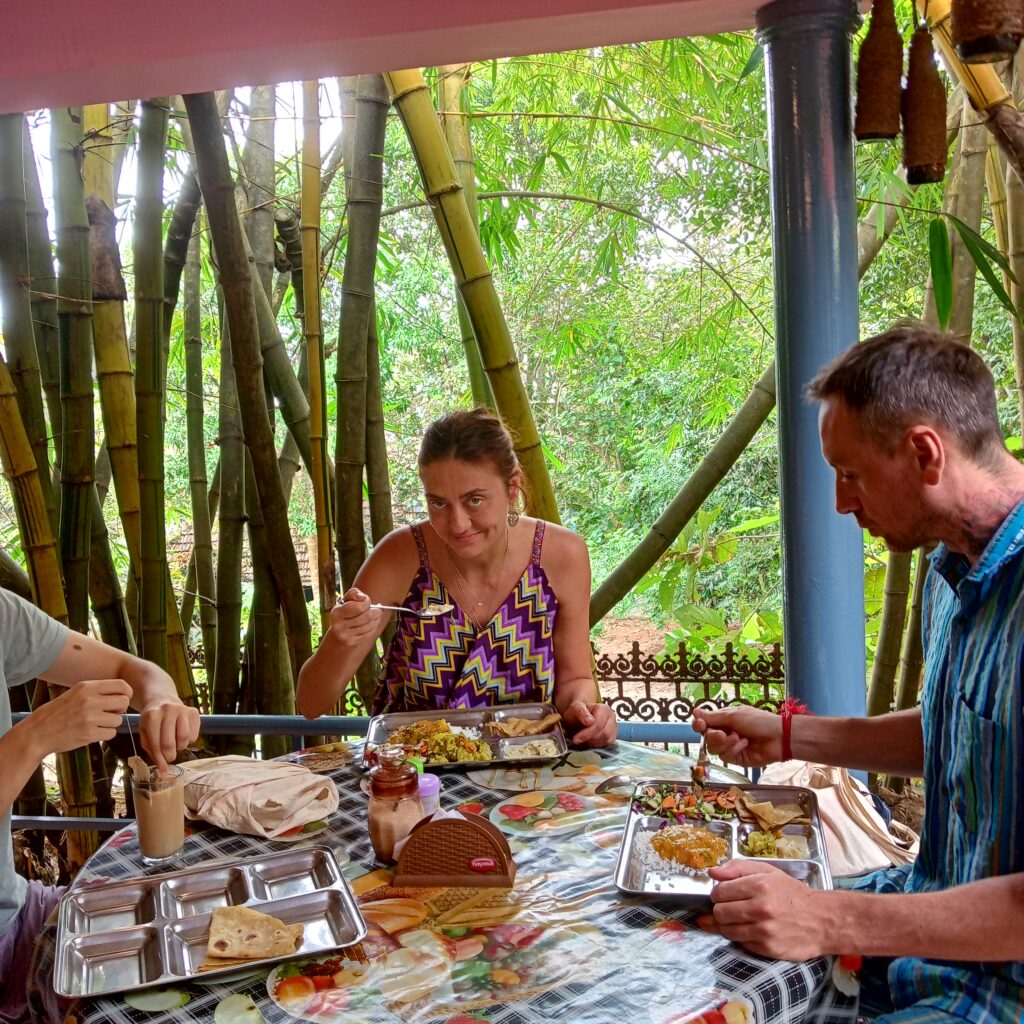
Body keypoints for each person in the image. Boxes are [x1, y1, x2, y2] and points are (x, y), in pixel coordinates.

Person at [693, 323, 1024, 1023]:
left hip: (1001, 986)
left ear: (924, 453)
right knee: (705, 937)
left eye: (851, 475)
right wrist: (790, 740)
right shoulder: (953, 566)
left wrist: (831, 918)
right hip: (928, 919)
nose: (843, 503)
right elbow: (957, 733)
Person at [297, 408, 617, 747]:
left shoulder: (560, 555)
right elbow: (311, 703)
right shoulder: (401, 556)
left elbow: (576, 679)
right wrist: (342, 638)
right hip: (413, 776)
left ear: (512, 487)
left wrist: (584, 711)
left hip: (525, 772)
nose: (458, 523)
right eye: (438, 504)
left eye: (474, 500)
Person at [0, 589, 200, 1024]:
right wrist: (32, 739)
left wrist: (159, 698)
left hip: (17, 915)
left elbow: (129, 668)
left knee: (194, 949)